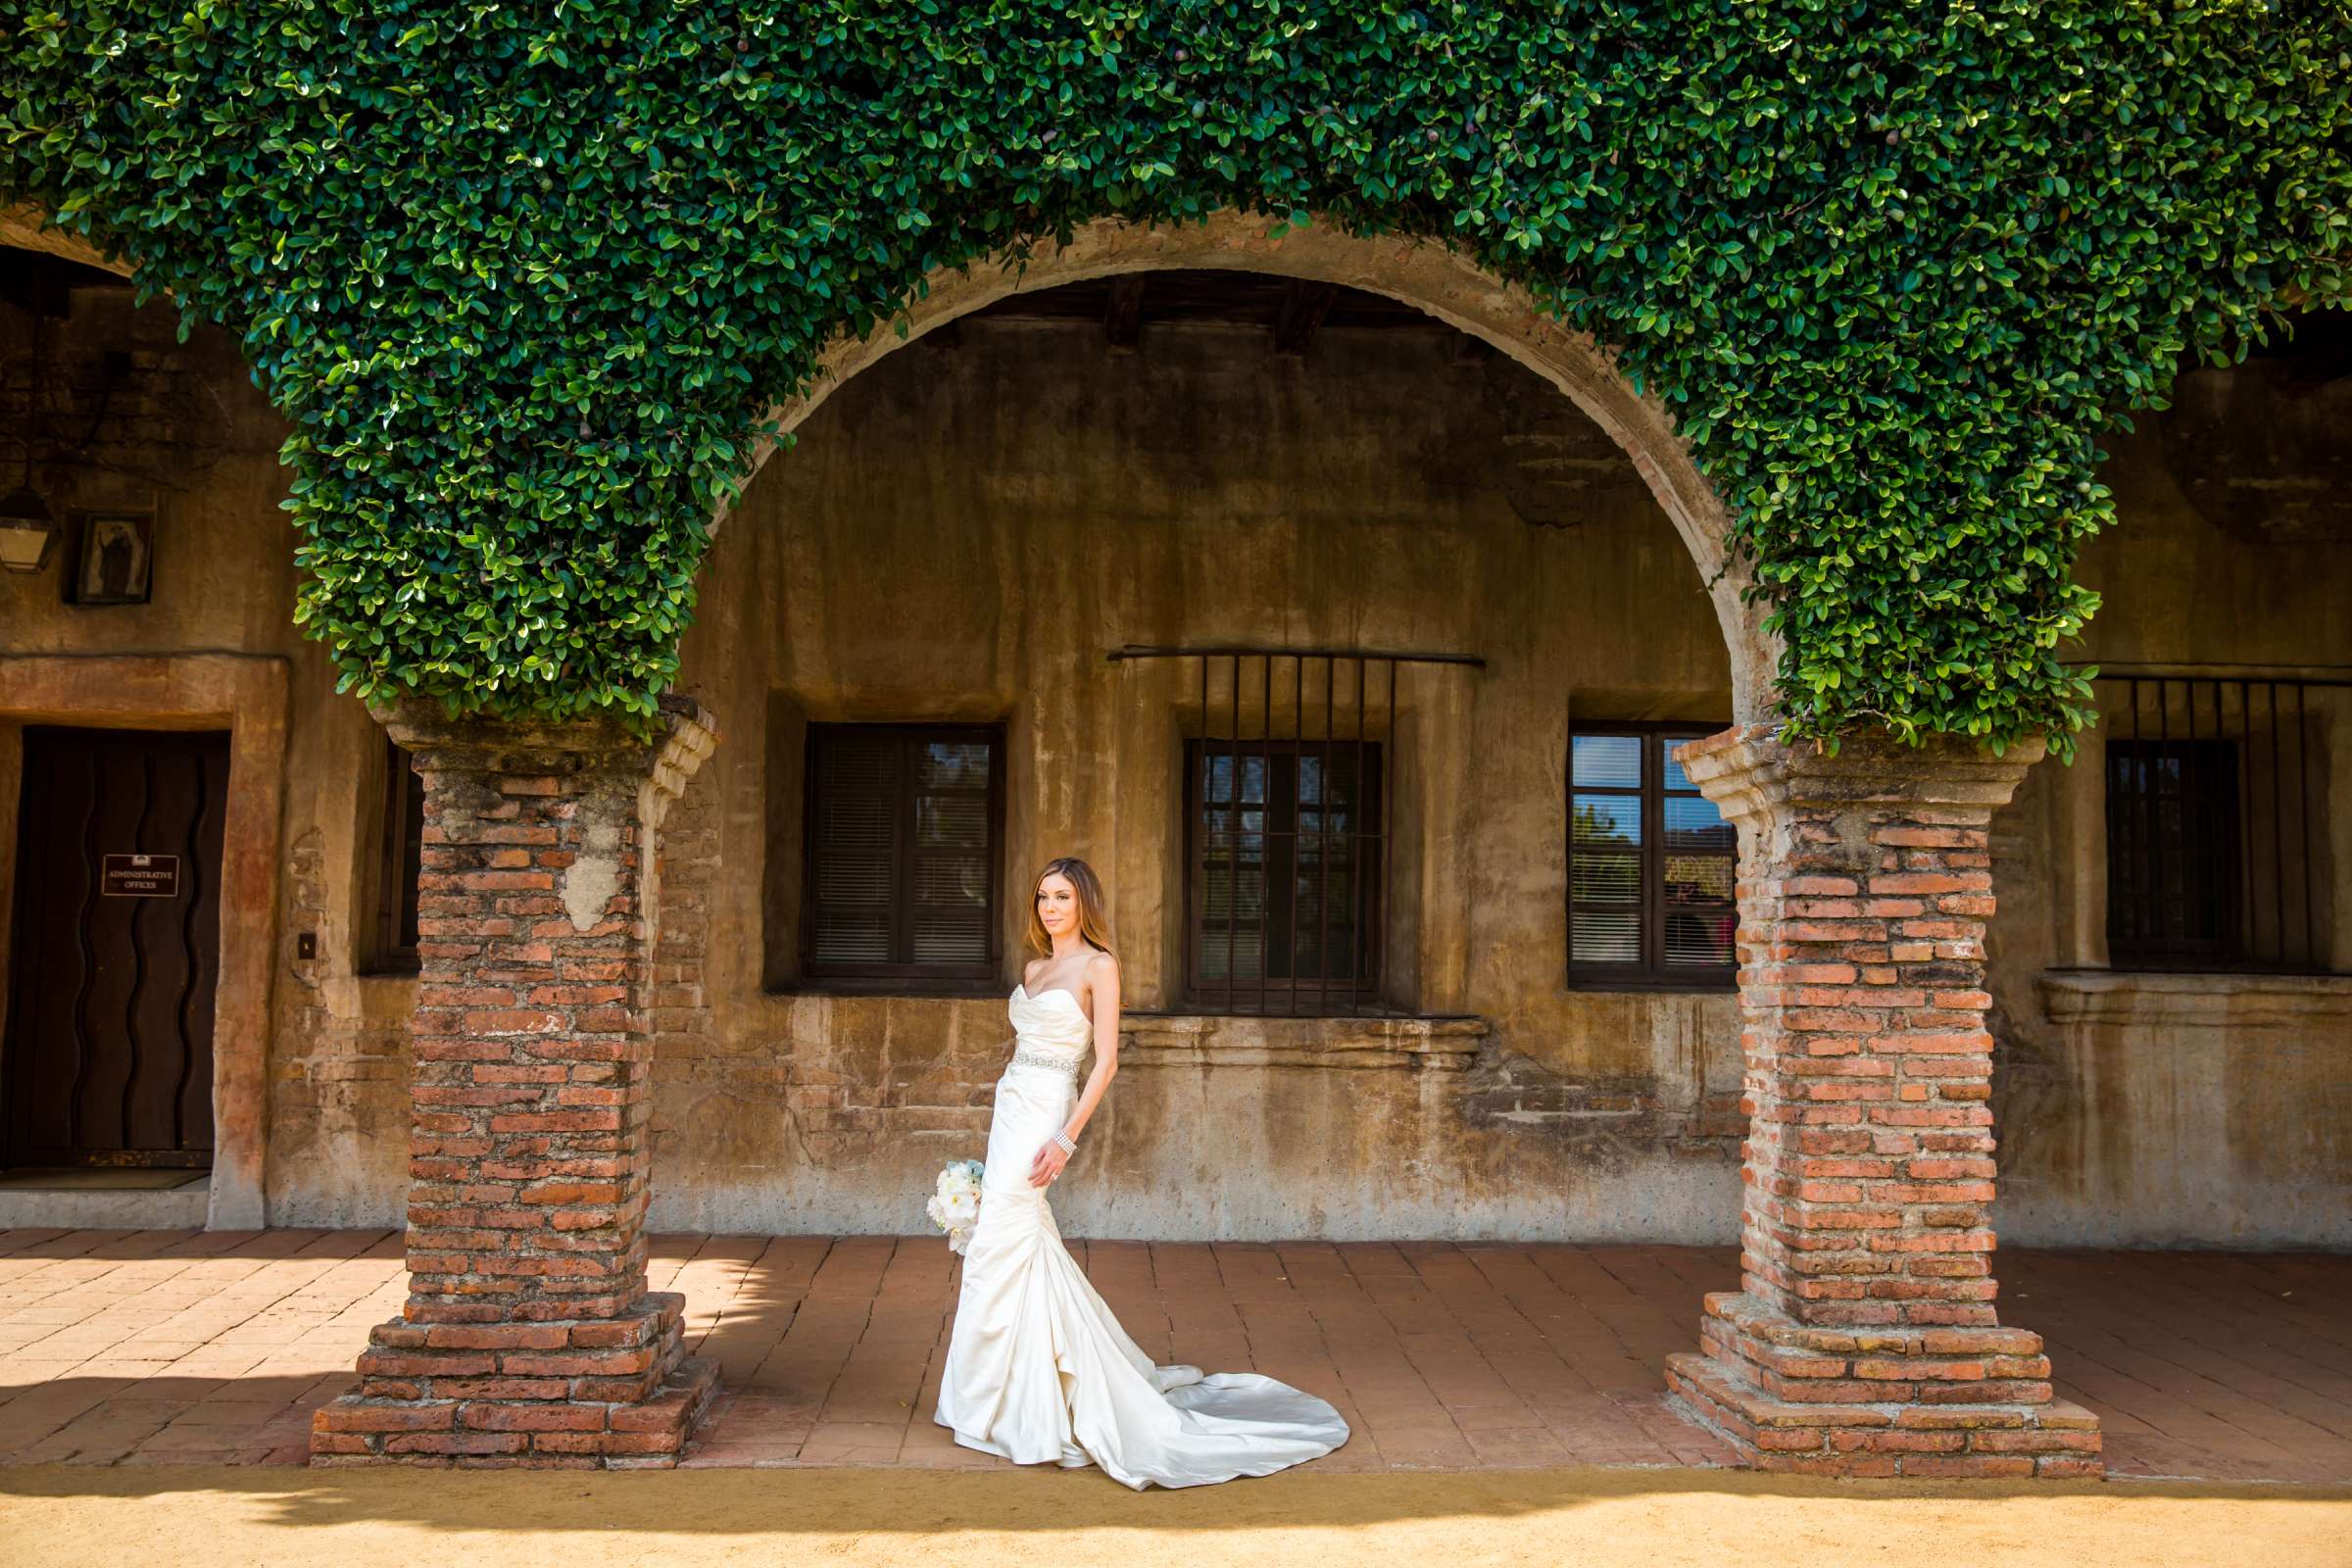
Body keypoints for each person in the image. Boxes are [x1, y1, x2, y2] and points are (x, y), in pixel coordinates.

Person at [933, 856, 1351, 1488]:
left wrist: (1065, 1138)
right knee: (1007, 1243)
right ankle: (999, 1396)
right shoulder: (1034, 967)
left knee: (1008, 1235)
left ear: (1084, 905)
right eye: (1043, 896)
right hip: (1011, 1103)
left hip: (1048, 1110)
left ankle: (1032, 1405)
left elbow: (1105, 1064)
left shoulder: (1099, 966)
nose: (1050, 908)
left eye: (1063, 897)